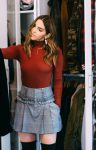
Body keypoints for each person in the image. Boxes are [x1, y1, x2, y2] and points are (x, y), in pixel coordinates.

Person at [1, 15, 63, 150]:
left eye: (40, 29)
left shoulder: (55, 52)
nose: (34, 30)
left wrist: (57, 106)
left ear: (48, 34)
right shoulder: (21, 49)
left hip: (48, 105)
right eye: (34, 26)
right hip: (25, 103)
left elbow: (58, 80)